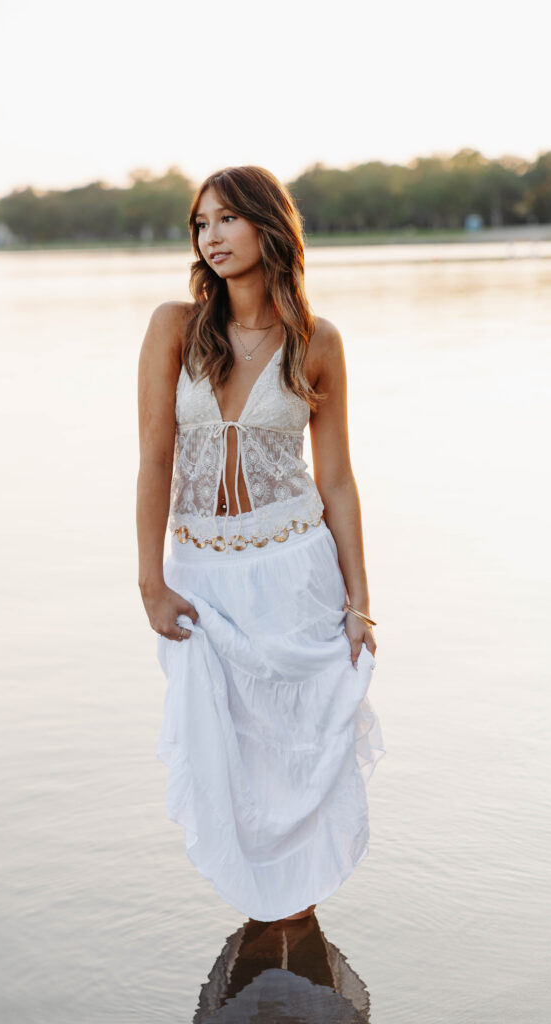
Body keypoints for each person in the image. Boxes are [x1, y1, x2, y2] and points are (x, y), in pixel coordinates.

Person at [136, 165, 385, 924]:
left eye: (225, 220)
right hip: (202, 575)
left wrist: (359, 604)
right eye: (200, 224)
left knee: (298, 744)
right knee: (227, 751)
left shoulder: (316, 341)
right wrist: (150, 582)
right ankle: (259, 908)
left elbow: (336, 480)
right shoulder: (173, 328)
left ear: (267, 226)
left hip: (294, 569)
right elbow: (152, 458)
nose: (210, 237)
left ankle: (294, 916)